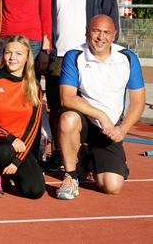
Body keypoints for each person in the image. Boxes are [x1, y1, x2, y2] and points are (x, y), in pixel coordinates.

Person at [43, 0, 120, 172]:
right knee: (58, 108)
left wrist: (106, 53)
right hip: (60, 56)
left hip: (89, 57)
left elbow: (111, 19)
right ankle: (59, 151)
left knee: (89, 105)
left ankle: (88, 151)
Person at [56, 15, 144, 200]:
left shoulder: (127, 58)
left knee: (112, 186)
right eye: (96, 31)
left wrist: (123, 129)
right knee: (68, 118)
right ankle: (70, 177)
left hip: (110, 130)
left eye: (106, 32)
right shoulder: (74, 56)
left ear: (114, 35)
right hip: (84, 122)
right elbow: (67, 98)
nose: (100, 37)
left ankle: (85, 160)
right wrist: (101, 116)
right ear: (87, 30)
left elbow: (138, 100)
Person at [0, 35, 46, 199]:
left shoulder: (34, 87)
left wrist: (17, 161)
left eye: (18, 54)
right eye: (8, 52)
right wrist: (10, 137)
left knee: (35, 191)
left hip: (17, 148)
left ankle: (7, 173)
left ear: (28, 57)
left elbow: (32, 127)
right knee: (3, 150)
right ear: (3, 54)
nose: (12, 57)